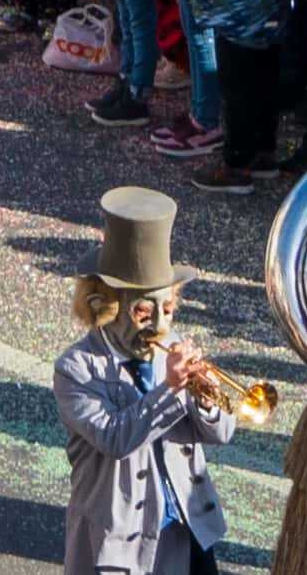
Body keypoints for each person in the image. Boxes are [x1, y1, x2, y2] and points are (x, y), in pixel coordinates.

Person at [52, 190, 239, 575]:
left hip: (187, 529)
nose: (160, 324)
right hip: (124, 545)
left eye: (167, 309)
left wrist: (203, 397)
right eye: (143, 310)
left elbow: (221, 434)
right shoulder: (75, 369)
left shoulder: (168, 348)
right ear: (106, 307)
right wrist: (170, 389)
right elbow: (115, 438)